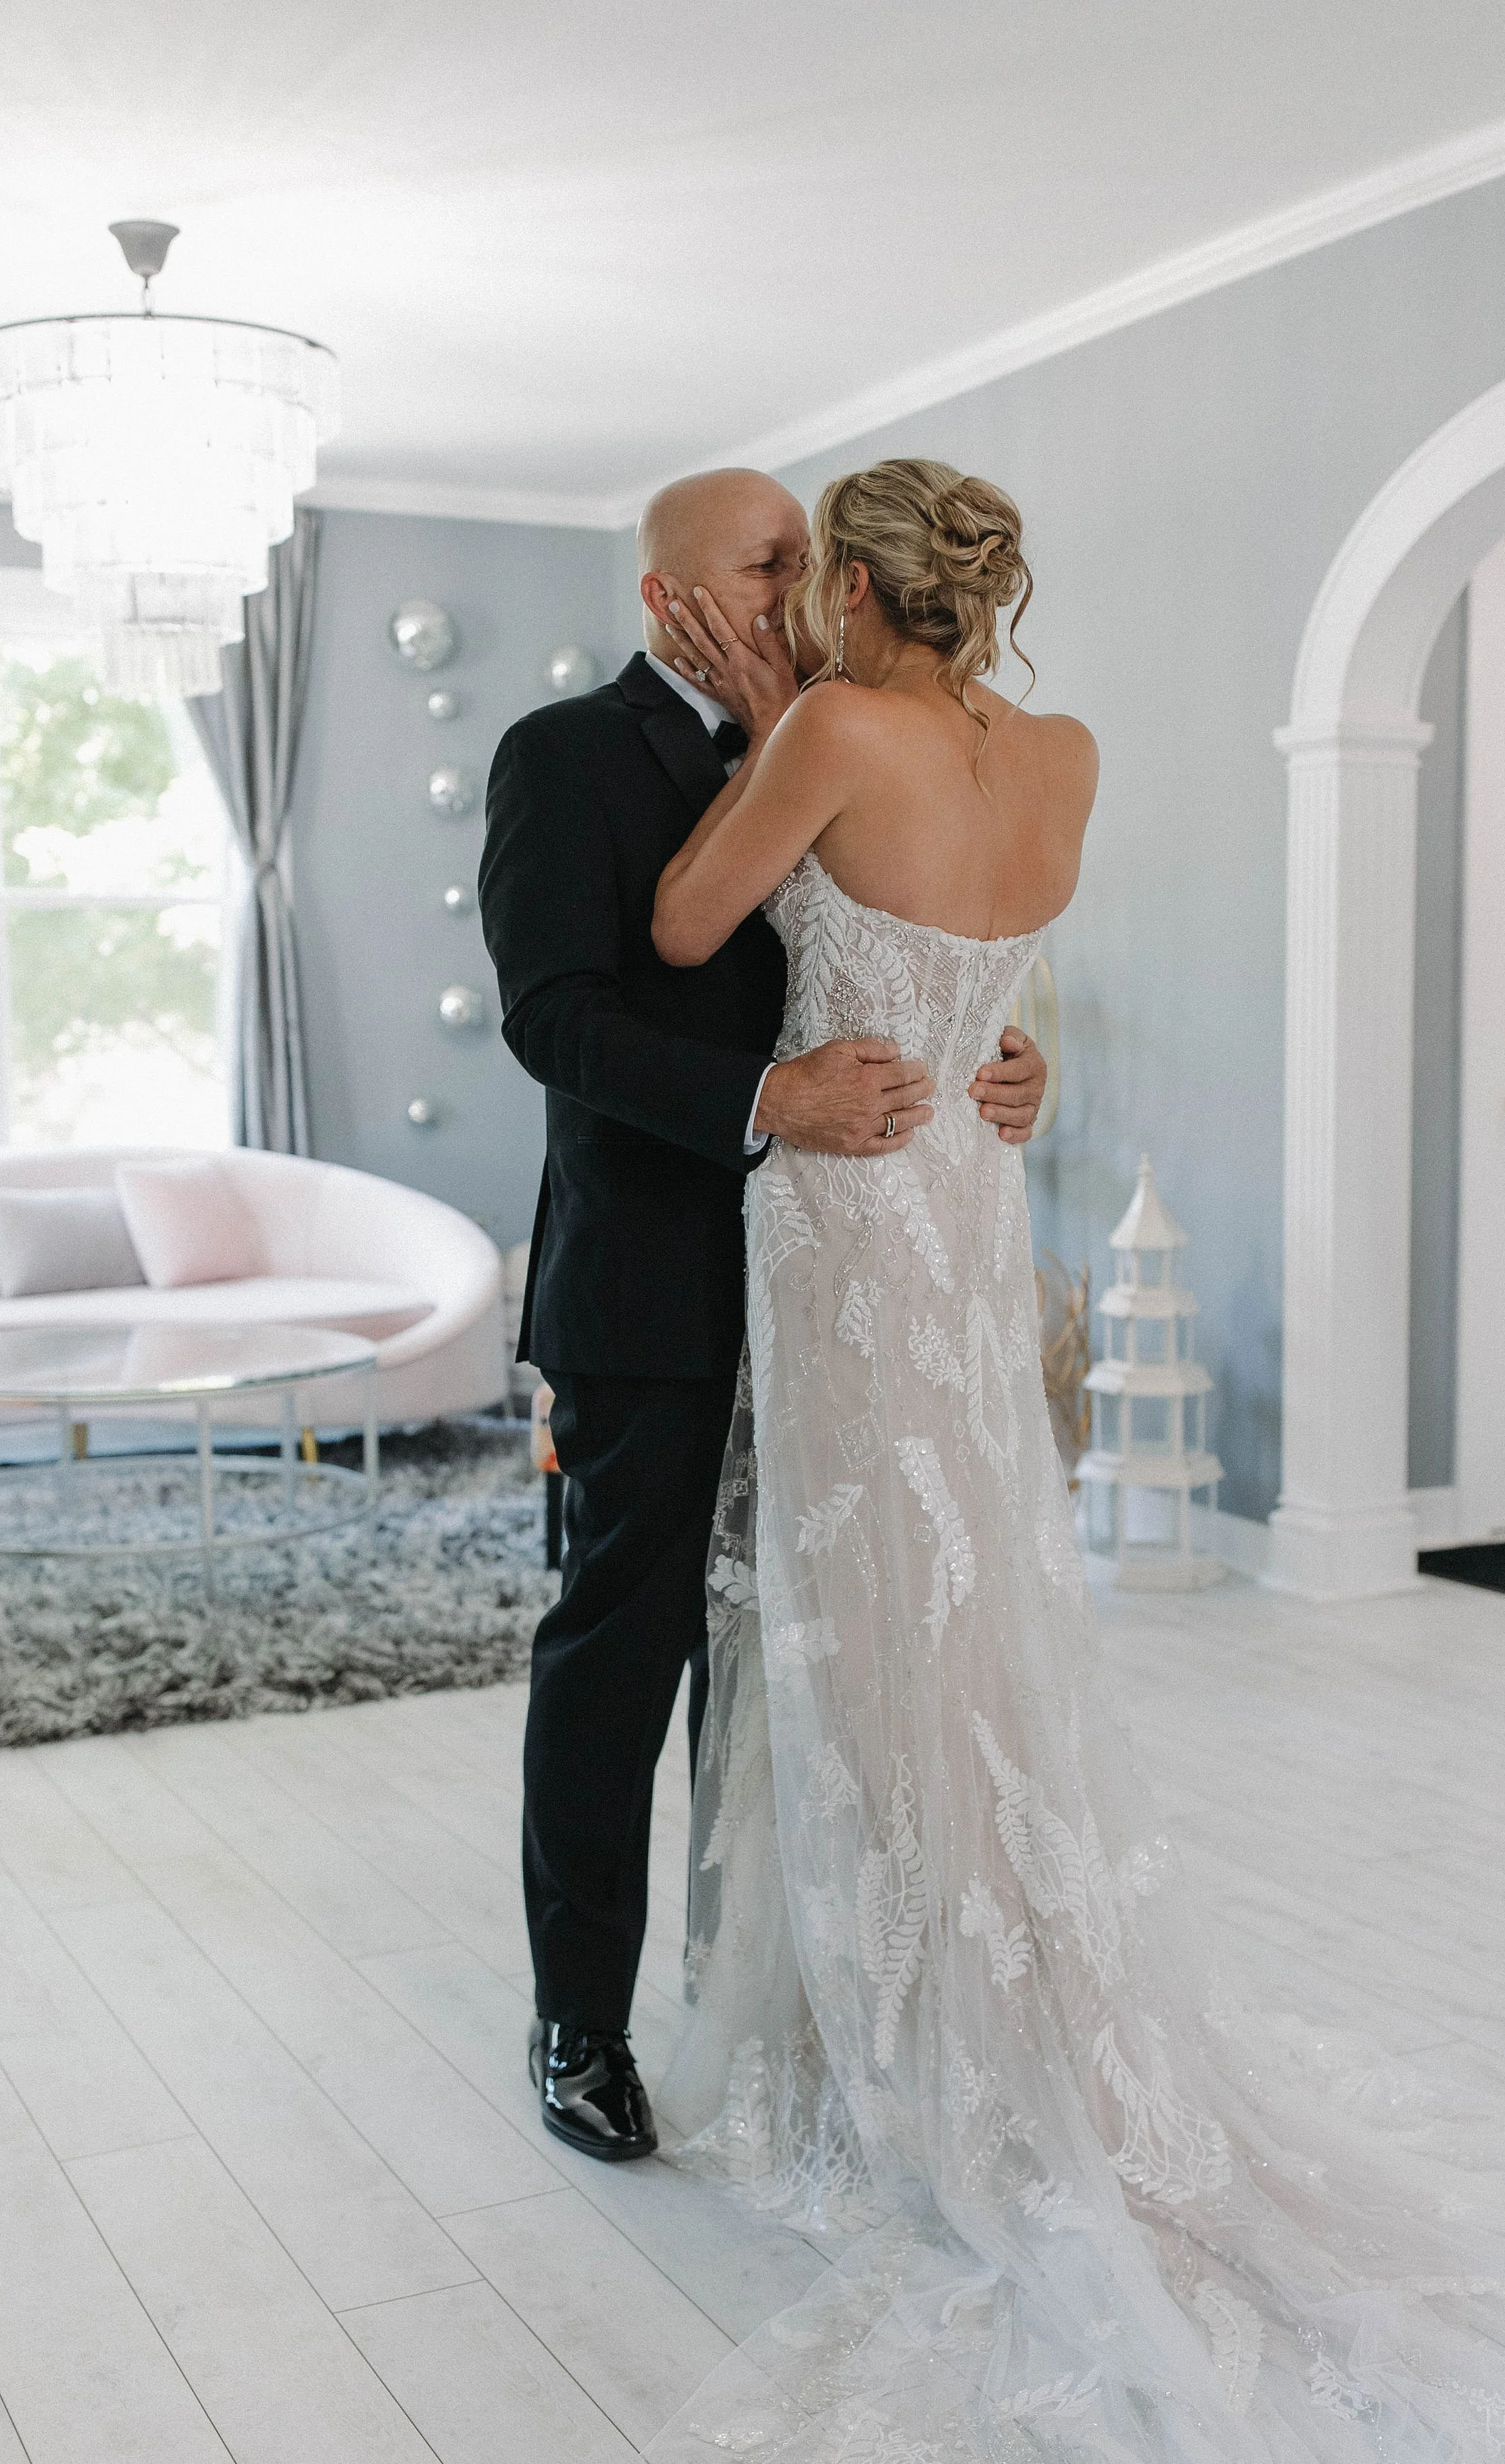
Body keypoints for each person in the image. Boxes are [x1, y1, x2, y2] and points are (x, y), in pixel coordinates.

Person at [647, 458, 1505, 2464]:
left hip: (844, 1217)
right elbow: (1004, 990)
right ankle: (996, 1979)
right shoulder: (1063, 750)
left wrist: (751, 719)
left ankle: (918, 2021)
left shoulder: (825, 726)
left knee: (863, 1612)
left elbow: (686, 922)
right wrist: (1012, 1065)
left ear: (853, 590)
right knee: (974, 1596)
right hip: (974, 1208)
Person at [477, 468, 1050, 2163]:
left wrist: (995, 1058)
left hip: (861, 1277)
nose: (809, 582)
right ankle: (579, 2018)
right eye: (772, 561)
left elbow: (940, 937)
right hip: (653, 1286)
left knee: (815, 1658)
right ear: (670, 600)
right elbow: (553, 1018)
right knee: (624, 1653)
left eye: (816, 558)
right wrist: (761, 1097)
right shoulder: (562, 758)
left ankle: (789, 1998)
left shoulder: (863, 726)